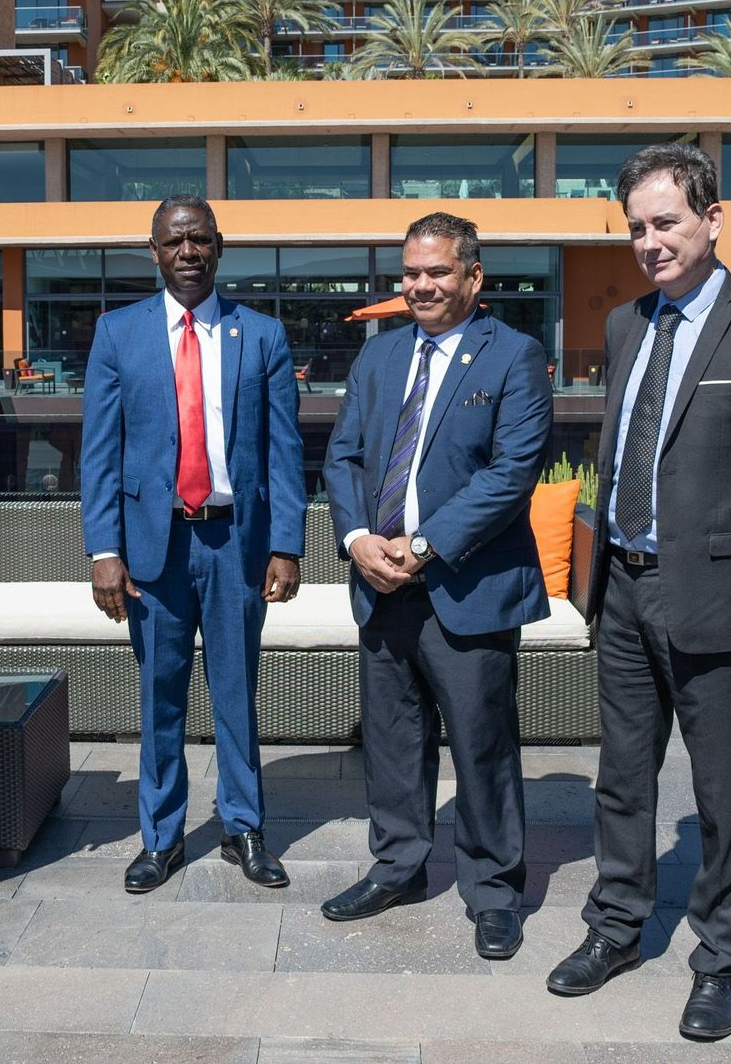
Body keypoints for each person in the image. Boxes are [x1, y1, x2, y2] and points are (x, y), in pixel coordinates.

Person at [547, 143, 731, 1040]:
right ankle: (617, 928)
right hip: (624, 592)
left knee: (723, 793)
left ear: (713, 219)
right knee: (621, 781)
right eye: (636, 227)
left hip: (715, 599)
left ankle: (722, 961)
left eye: (665, 222)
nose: (649, 242)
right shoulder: (630, 325)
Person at [320, 212, 553, 960]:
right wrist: (358, 541)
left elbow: (511, 474)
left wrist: (419, 547)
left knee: (482, 746)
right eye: (411, 273)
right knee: (392, 739)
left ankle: (492, 891)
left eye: (437, 272)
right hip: (380, 582)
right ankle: (399, 867)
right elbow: (343, 458)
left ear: (473, 277)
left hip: (466, 582)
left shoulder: (513, 356)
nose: (421, 286)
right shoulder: (380, 358)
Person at [79, 195, 306, 894]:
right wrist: (102, 550)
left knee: (237, 694)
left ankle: (243, 827)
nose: (188, 251)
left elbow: (283, 452)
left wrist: (287, 544)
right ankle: (161, 837)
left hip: (235, 543)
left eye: (200, 239)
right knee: (160, 697)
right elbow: (100, 453)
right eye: (174, 240)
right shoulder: (118, 334)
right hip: (153, 549)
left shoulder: (260, 336)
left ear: (218, 247)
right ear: (153, 252)